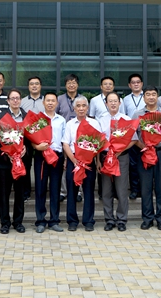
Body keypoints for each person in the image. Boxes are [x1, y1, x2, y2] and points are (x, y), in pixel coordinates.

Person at [133, 86, 161, 231]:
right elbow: (133, 135)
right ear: (144, 97)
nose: (151, 97)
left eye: (153, 94)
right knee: (145, 188)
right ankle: (147, 218)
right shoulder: (138, 114)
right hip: (144, 153)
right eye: (148, 94)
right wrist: (143, 146)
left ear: (157, 96)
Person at [98, 92, 138, 232]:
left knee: (121, 190)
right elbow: (97, 141)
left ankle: (121, 219)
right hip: (105, 157)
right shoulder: (101, 120)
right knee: (106, 190)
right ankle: (109, 219)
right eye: (110, 101)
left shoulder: (126, 119)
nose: (113, 103)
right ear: (106, 104)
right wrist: (98, 160)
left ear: (120, 103)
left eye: (115, 101)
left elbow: (134, 139)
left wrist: (120, 150)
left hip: (121, 157)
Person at [0, 89, 30, 234]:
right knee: (4, 194)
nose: (15, 101)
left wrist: (25, 150)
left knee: (20, 194)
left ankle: (18, 222)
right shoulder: (0, 117)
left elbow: (32, 138)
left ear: (21, 100)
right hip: (4, 163)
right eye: (12, 98)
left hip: (21, 162)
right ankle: (5, 223)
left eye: (17, 98)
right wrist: (7, 155)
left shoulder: (26, 117)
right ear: (7, 101)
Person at [62, 96, 102, 231]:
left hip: (89, 161)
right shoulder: (69, 124)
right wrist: (74, 160)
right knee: (72, 191)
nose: (81, 108)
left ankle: (88, 221)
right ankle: (72, 221)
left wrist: (97, 160)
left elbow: (99, 144)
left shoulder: (94, 123)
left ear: (88, 108)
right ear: (74, 108)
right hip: (73, 160)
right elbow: (65, 144)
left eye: (84, 106)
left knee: (88, 191)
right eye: (78, 106)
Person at [32, 92, 66, 233]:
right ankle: (40, 220)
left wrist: (65, 159)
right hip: (41, 156)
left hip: (57, 156)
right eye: (48, 100)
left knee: (55, 189)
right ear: (43, 102)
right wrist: (36, 146)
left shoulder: (61, 120)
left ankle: (54, 220)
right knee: (40, 188)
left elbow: (64, 141)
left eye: (53, 101)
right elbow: (31, 138)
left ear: (57, 103)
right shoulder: (38, 119)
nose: (50, 103)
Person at [57, 74, 84, 203]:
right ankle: (64, 191)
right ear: (65, 85)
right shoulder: (60, 99)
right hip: (64, 136)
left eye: (74, 82)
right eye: (69, 83)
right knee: (65, 164)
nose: (71, 85)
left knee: (81, 163)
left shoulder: (82, 99)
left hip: (81, 137)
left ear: (77, 84)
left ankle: (79, 191)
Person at [20, 76, 45, 201]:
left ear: (40, 86)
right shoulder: (22, 101)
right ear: (28, 86)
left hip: (43, 137)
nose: (34, 86)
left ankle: (42, 191)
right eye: (31, 84)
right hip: (26, 138)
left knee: (43, 164)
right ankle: (26, 191)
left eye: (36, 83)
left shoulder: (46, 100)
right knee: (26, 164)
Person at [122, 74, 145, 200]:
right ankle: (135, 189)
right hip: (131, 135)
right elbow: (123, 116)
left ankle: (144, 188)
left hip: (146, 134)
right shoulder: (125, 100)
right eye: (133, 82)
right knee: (133, 164)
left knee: (146, 162)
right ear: (129, 85)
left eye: (138, 82)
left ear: (142, 84)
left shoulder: (147, 96)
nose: (136, 84)